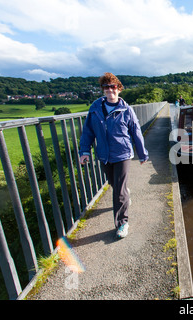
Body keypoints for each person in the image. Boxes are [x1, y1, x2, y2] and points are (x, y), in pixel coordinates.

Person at [79, 72, 149, 239]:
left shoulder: (126, 110)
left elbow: (136, 132)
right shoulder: (95, 109)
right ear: (103, 90)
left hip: (123, 153)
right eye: (106, 87)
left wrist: (142, 153)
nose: (110, 90)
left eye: (113, 86)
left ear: (119, 89)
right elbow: (88, 131)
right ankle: (125, 193)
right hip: (104, 155)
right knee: (113, 183)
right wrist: (84, 151)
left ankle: (122, 223)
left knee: (118, 191)